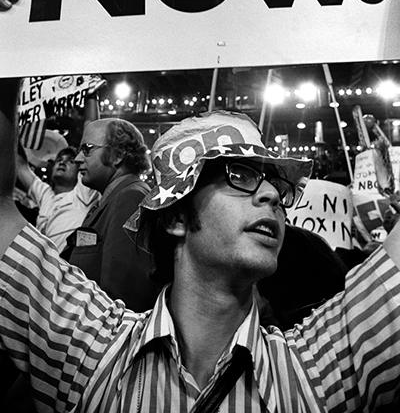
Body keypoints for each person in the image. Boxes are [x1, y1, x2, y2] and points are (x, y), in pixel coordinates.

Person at [1, 73, 400, 412]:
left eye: (276, 184)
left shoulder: (318, 367)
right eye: (241, 175)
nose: (273, 196)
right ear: (175, 218)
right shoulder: (90, 349)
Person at [62, 117, 160, 311]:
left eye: (87, 149)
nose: (78, 158)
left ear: (118, 154)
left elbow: (123, 297)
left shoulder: (131, 198)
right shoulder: (113, 198)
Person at [17, 143, 100, 253]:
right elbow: (21, 166)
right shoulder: (46, 195)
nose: (62, 162)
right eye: (59, 159)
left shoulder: (83, 194)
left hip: (70, 264)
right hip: (41, 264)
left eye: (71, 161)